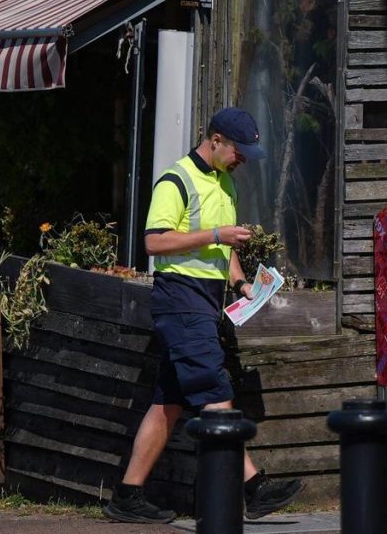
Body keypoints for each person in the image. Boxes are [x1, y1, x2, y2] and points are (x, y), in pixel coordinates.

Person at [102, 107, 305, 524]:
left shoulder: (225, 181)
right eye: (238, 150)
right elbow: (154, 242)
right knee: (215, 390)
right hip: (179, 298)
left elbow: (224, 249)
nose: (243, 159)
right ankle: (254, 488)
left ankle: (127, 496)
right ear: (215, 141)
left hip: (206, 299)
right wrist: (217, 235)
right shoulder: (176, 180)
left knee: (168, 403)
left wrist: (242, 284)